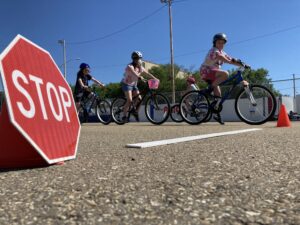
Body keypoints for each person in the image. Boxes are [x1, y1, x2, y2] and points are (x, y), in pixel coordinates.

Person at [199, 33, 249, 125]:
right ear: (215, 43)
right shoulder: (214, 51)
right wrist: (231, 61)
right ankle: (208, 90)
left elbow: (231, 60)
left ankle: (217, 115)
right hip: (206, 71)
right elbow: (222, 58)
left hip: (214, 74)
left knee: (218, 98)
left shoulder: (223, 52)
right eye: (219, 43)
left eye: (222, 43)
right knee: (225, 74)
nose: (221, 45)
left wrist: (243, 64)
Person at [121, 51, 159, 122]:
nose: (138, 60)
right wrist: (139, 77)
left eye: (139, 58)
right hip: (126, 84)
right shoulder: (130, 66)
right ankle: (124, 116)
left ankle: (134, 111)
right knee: (129, 100)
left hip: (134, 85)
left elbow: (147, 73)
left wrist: (155, 78)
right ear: (134, 59)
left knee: (139, 99)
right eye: (137, 58)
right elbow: (133, 72)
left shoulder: (141, 67)